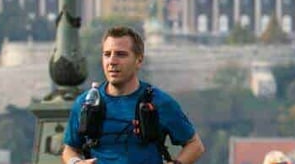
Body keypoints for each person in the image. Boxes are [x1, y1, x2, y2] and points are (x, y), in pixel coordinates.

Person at [63, 26, 205, 164]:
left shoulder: (159, 102)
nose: (112, 61)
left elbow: (194, 145)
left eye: (121, 54)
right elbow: (69, 149)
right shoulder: (86, 102)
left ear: (139, 60)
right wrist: (75, 162)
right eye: (107, 54)